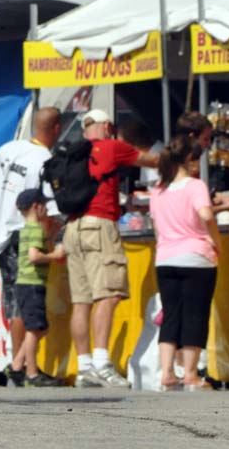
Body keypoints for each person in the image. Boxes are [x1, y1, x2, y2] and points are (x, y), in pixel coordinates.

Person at [62, 109, 157, 388]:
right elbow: (151, 159)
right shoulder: (112, 147)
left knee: (81, 301)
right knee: (108, 295)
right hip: (100, 225)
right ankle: (103, 364)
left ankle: (84, 367)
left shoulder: (74, 153)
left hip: (73, 228)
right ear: (106, 126)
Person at [0, 107, 62, 386]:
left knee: (13, 300)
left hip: (0, 234)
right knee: (24, 302)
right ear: (56, 129)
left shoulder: (8, 149)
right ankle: (23, 368)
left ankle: (18, 364)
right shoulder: (46, 160)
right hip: (24, 234)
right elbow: (51, 209)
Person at [149, 135, 222, 392]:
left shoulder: (158, 189)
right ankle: (190, 374)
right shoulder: (195, 186)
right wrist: (216, 240)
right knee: (195, 314)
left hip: (165, 257)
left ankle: (167, 373)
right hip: (196, 256)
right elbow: (206, 215)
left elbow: (157, 227)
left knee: (171, 315)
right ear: (190, 160)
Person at [8, 189, 64, 387]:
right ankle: (31, 373)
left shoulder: (28, 229)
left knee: (41, 328)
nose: (47, 209)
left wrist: (52, 235)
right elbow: (34, 255)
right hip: (32, 284)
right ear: (36, 207)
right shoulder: (35, 229)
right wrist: (55, 256)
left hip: (27, 284)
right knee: (34, 329)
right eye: (45, 205)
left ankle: (16, 365)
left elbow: (38, 247)